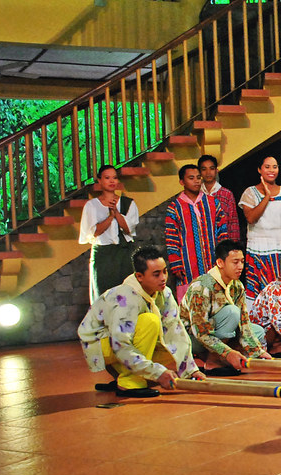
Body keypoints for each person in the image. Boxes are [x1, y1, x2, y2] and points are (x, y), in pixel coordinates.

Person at [77, 246, 206, 398]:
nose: (163, 278)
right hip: (100, 343)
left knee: (169, 343)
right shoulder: (126, 297)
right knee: (150, 321)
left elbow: (175, 329)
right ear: (139, 276)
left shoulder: (165, 293)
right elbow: (120, 344)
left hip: (119, 342)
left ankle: (125, 373)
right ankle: (129, 383)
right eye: (156, 274)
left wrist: (190, 370)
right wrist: (157, 373)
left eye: (164, 271)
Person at [180, 240, 271, 376]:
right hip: (191, 337)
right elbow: (200, 332)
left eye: (242, 261)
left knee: (257, 331)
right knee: (232, 312)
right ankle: (213, 361)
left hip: (217, 332)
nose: (240, 266)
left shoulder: (237, 286)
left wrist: (258, 351)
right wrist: (227, 353)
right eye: (235, 262)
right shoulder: (202, 286)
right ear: (220, 263)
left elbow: (244, 323)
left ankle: (222, 357)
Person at [239, 156, 281, 307]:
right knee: (261, 289)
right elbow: (251, 218)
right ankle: (261, 327)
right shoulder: (250, 193)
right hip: (260, 248)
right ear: (259, 169)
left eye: (275, 167)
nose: (271, 170)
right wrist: (266, 197)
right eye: (267, 167)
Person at [165, 164, 230, 302]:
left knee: (216, 299)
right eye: (191, 178)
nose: (196, 181)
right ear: (182, 182)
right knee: (190, 301)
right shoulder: (175, 207)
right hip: (187, 264)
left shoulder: (212, 203)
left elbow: (222, 231)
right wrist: (176, 263)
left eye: (198, 177)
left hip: (213, 261)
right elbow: (171, 238)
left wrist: (224, 256)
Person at [79, 165, 140, 304]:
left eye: (114, 177)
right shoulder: (92, 205)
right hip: (103, 255)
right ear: (99, 181)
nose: (112, 181)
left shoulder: (128, 203)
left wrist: (117, 214)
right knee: (104, 295)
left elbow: (129, 229)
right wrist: (110, 217)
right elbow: (94, 232)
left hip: (124, 253)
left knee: (127, 294)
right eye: (107, 178)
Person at [198, 154, 241, 242]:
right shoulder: (196, 194)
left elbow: (233, 222)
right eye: (204, 169)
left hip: (222, 243)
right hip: (201, 242)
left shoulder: (227, 194)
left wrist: (234, 246)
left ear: (216, 170)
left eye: (211, 168)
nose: (208, 172)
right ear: (199, 172)